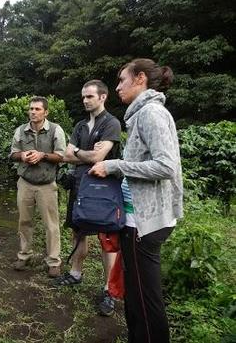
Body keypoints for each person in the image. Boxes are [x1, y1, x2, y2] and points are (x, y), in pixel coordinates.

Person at [89, 59, 183, 343]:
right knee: (135, 291)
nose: (117, 87)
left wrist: (116, 165)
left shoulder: (151, 113)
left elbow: (166, 166)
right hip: (136, 218)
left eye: (122, 80)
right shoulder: (141, 114)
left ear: (140, 79)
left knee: (145, 297)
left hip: (146, 222)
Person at [52, 80, 121, 317]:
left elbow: (98, 156)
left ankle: (109, 290)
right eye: (83, 97)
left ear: (102, 97)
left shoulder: (112, 123)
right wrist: (86, 154)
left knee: (106, 237)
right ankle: (75, 273)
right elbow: (66, 156)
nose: (85, 100)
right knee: (77, 230)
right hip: (79, 186)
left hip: (103, 188)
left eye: (89, 96)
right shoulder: (81, 125)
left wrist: (79, 153)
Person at [10, 96, 66, 278]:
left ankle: (54, 261)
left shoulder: (55, 130)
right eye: (31, 109)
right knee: (24, 222)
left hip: (47, 185)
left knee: (51, 225)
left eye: (37, 109)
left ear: (46, 112)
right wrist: (23, 156)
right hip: (25, 183)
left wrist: (42, 155)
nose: (33, 112)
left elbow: (61, 156)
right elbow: (12, 154)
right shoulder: (21, 130)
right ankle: (24, 255)